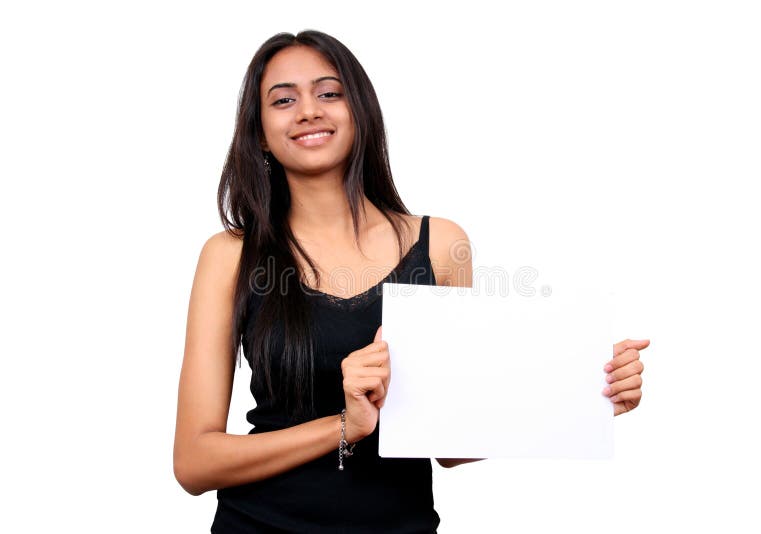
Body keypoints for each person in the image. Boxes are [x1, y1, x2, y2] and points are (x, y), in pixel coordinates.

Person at [173, 30, 649, 533]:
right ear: (259, 132)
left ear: (360, 111)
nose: (309, 111)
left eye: (329, 93)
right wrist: (345, 427)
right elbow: (194, 462)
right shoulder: (229, 256)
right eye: (283, 100)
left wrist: (586, 393)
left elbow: (451, 444)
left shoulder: (439, 246)